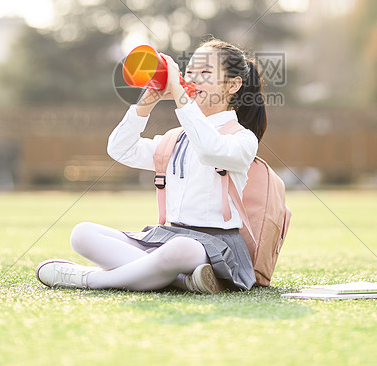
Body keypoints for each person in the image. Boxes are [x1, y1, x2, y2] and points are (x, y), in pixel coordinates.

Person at [36, 38, 267, 293]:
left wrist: (181, 98)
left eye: (205, 73)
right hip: (167, 238)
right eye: (189, 72)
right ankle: (184, 281)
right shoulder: (175, 138)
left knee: (181, 250)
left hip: (211, 244)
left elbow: (210, 149)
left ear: (233, 85)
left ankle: (89, 279)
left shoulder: (242, 138)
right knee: (82, 234)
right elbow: (120, 149)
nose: (194, 79)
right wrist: (149, 99)